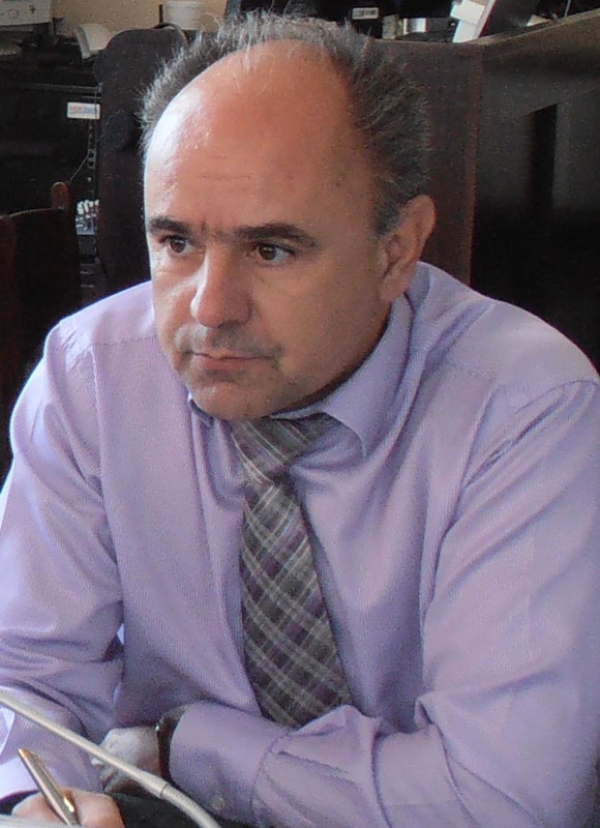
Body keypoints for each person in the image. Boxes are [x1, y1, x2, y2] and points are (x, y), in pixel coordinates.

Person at [1, 11, 600, 828]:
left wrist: (189, 746)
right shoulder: (90, 375)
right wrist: (36, 801)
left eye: (271, 250)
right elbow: (26, 680)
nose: (210, 308)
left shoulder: (528, 409)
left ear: (397, 250)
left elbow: (501, 800)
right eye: (176, 243)